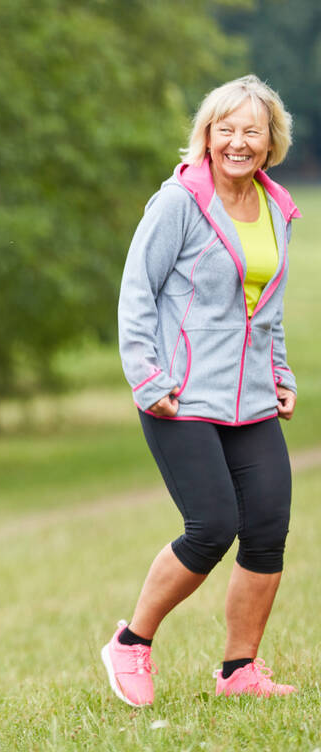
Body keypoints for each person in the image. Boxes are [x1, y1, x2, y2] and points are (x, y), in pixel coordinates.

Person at [103, 74, 299, 707]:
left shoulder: (277, 209)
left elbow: (264, 307)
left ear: (271, 140)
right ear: (207, 136)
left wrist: (281, 372)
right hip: (179, 395)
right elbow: (137, 292)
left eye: (252, 131)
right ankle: (131, 642)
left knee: (266, 526)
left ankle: (239, 670)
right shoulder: (179, 201)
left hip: (251, 399)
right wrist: (148, 377)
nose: (238, 142)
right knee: (212, 526)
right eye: (226, 129)